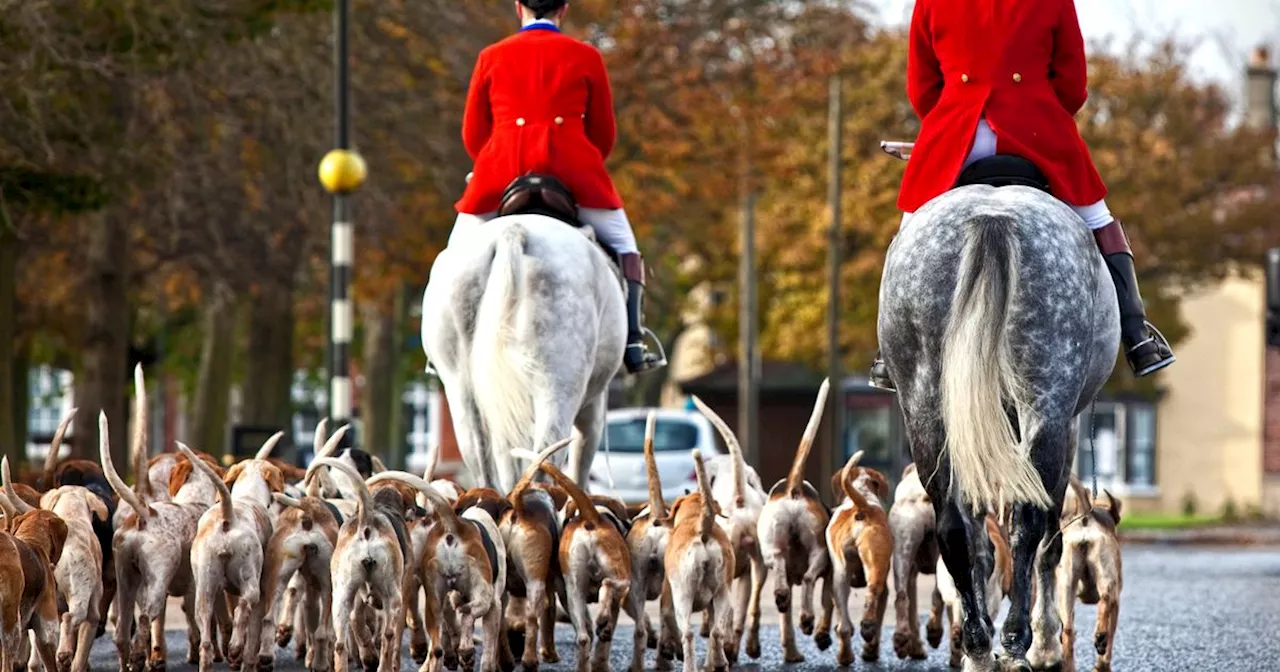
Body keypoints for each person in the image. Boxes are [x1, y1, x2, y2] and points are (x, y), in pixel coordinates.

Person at [868, 0, 1176, 391]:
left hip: (958, 132)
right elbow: (1072, 86)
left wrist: (954, 116)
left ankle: (886, 350)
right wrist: (1039, 110)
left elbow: (922, 89)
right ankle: (1138, 337)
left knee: (909, 232)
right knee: (1099, 219)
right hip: (1034, 131)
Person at [449, 0, 662, 374]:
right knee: (626, 245)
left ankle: (445, 350)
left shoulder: (490, 56)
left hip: (500, 174)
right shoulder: (586, 56)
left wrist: (492, 158)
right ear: (563, 8)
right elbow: (603, 134)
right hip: (573, 172)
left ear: (519, 7)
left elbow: (472, 134)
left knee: (455, 256)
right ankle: (632, 339)